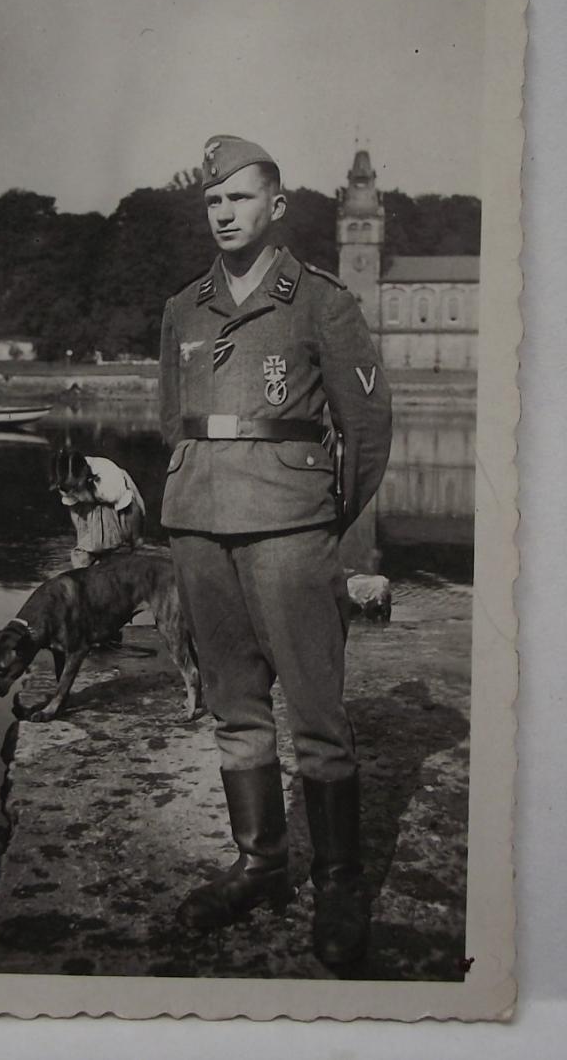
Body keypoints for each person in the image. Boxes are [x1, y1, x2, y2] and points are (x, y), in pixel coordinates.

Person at [159, 135, 392, 967]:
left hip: (292, 529)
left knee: (319, 718)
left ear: (277, 206)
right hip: (198, 525)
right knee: (234, 706)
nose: (225, 214)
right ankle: (261, 863)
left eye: (241, 199)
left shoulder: (319, 302)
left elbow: (365, 428)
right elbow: (170, 418)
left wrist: (325, 520)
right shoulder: (183, 309)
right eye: (214, 201)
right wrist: (190, 505)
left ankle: (338, 883)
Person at [53, 448, 145, 568]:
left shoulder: (108, 480)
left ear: (84, 472)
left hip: (120, 506)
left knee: (118, 548)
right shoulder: (65, 485)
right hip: (91, 506)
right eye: (67, 488)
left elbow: (133, 509)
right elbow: (75, 511)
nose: (71, 491)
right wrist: (83, 542)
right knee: (82, 556)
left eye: (75, 486)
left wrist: (137, 541)